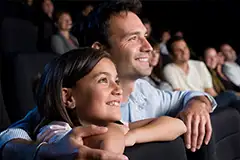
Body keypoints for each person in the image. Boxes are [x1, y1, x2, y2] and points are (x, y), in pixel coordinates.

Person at [0, 0, 217, 159]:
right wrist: (41, 152)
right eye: (133, 38)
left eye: (145, 36)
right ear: (99, 50)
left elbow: (189, 100)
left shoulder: (146, 91)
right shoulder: (69, 112)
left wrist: (197, 104)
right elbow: (10, 136)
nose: (148, 47)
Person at [34, 48, 187, 154]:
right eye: (103, 80)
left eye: (116, 80)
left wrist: (132, 136)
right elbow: (107, 142)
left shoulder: (113, 127)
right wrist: (118, 132)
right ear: (68, 97)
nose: (118, 89)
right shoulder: (56, 133)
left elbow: (177, 125)